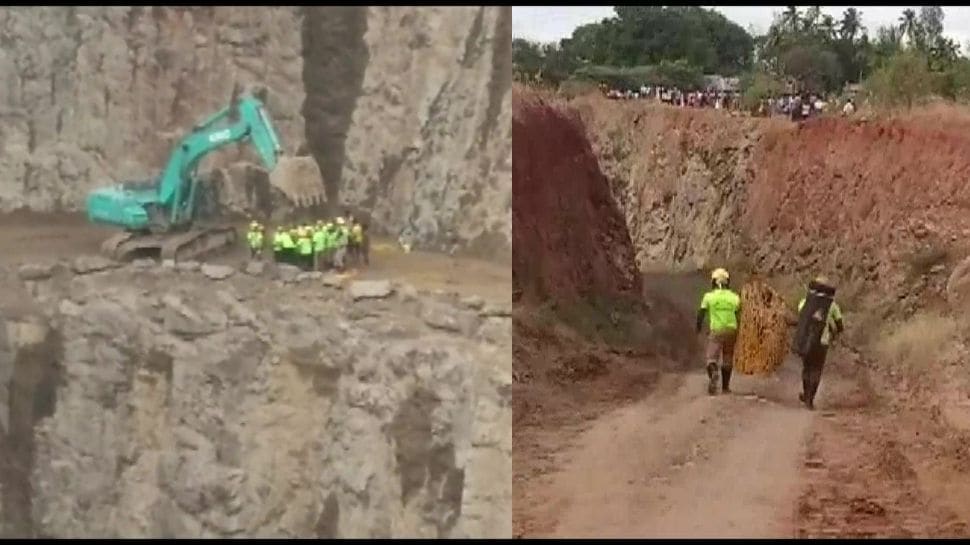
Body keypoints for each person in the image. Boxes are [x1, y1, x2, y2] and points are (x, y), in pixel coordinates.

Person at [795, 276, 844, 410]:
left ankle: (806, 394)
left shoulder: (804, 302)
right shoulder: (833, 306)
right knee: (816, 370)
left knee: (807, 368)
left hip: (807, 341)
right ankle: (810, 399)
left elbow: (801, 319)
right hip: (822, 342)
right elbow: (840, 325)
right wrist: (833, 330)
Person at [696, 268, 742, 395]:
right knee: (727, 357)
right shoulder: (735, 297)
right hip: (732, 330)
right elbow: (739, 315)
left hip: (716, 330)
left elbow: (701, 313)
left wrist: (698, 328)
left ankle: (714, 373)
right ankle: (725, 388)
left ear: (714, 282)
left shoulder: (709, 297)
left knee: (711, 358)